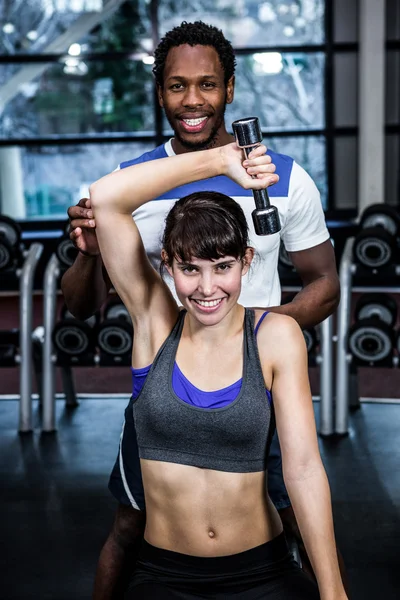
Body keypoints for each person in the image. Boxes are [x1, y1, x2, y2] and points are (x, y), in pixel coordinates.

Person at [61, 21, 341, 599]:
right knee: (130, 524)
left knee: (291, 513)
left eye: (207, 84)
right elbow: (84, 299)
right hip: (167, 365)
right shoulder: (132, 185)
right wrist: (219, 163)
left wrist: (258, 336)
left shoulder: (287, 180)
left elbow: (325, 284)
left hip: (258, 377)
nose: (193, 100)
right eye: (177, 86)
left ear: (230, 89)